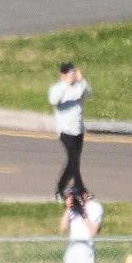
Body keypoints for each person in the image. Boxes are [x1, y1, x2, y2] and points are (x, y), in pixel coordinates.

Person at [50, 60, 89, 201]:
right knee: (73, 160)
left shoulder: (79, 87)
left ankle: (73, 189)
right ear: (63, 75)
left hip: (78, 130)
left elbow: (88, 93)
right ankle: (77, 189)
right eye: (69, 73)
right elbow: (53, 100)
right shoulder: (58, 88)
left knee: (74, 161)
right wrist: (66, 84)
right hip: (65, 131)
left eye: (73, 73)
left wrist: (82, 80)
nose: (71, 76)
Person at [61, 185, 103, 263]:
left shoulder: (95, 207)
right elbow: (63, 229)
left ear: (84, 195)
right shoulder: (72, 209)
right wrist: (68, 209)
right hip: (72, 248)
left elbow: (93, 232)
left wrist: (83, 213)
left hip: (85, 248)